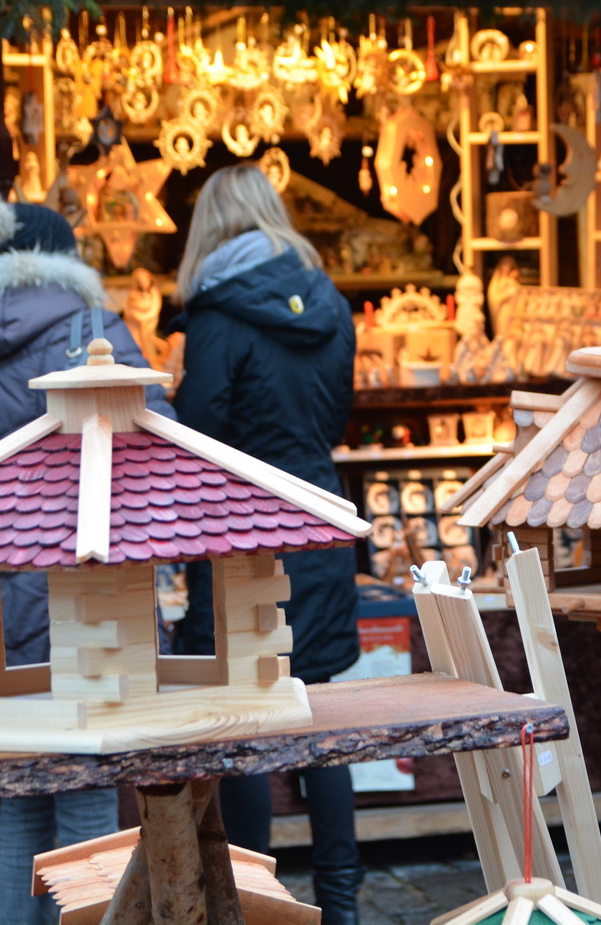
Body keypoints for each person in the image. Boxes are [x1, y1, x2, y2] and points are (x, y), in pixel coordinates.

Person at [0, 193, 174, 925]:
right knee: (89, 791)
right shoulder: (89, 329)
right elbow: (157, 444)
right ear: (64, 261)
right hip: (81, 588)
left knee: (21, 796)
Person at [170, 165, 363, 925]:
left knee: (243, 712)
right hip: (318, 512)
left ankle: (247, 897)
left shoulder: (215, 318)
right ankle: (342, 905)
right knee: (318, 716)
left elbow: (198, 435)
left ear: (210, 230)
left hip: (239, 531)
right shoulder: (330, 304)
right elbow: (336, 416)